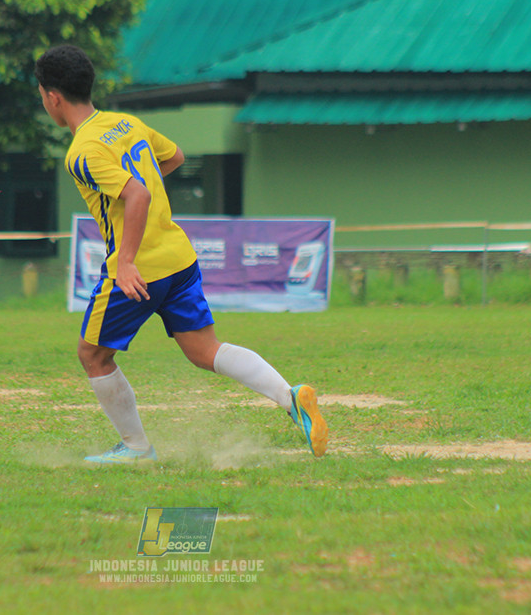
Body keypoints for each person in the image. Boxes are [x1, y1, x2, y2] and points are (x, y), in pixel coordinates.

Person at [34, 45, 328, 463]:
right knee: (204, 350)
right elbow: (173, 157)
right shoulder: (126, 123)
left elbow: (136, 194)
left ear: (52, 97)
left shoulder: (82, 152)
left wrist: (126, 262)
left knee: (93, 354)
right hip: (179, 258)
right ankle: (290, 396)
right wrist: (143, 188)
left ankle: (137, 448)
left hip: (140, 269)